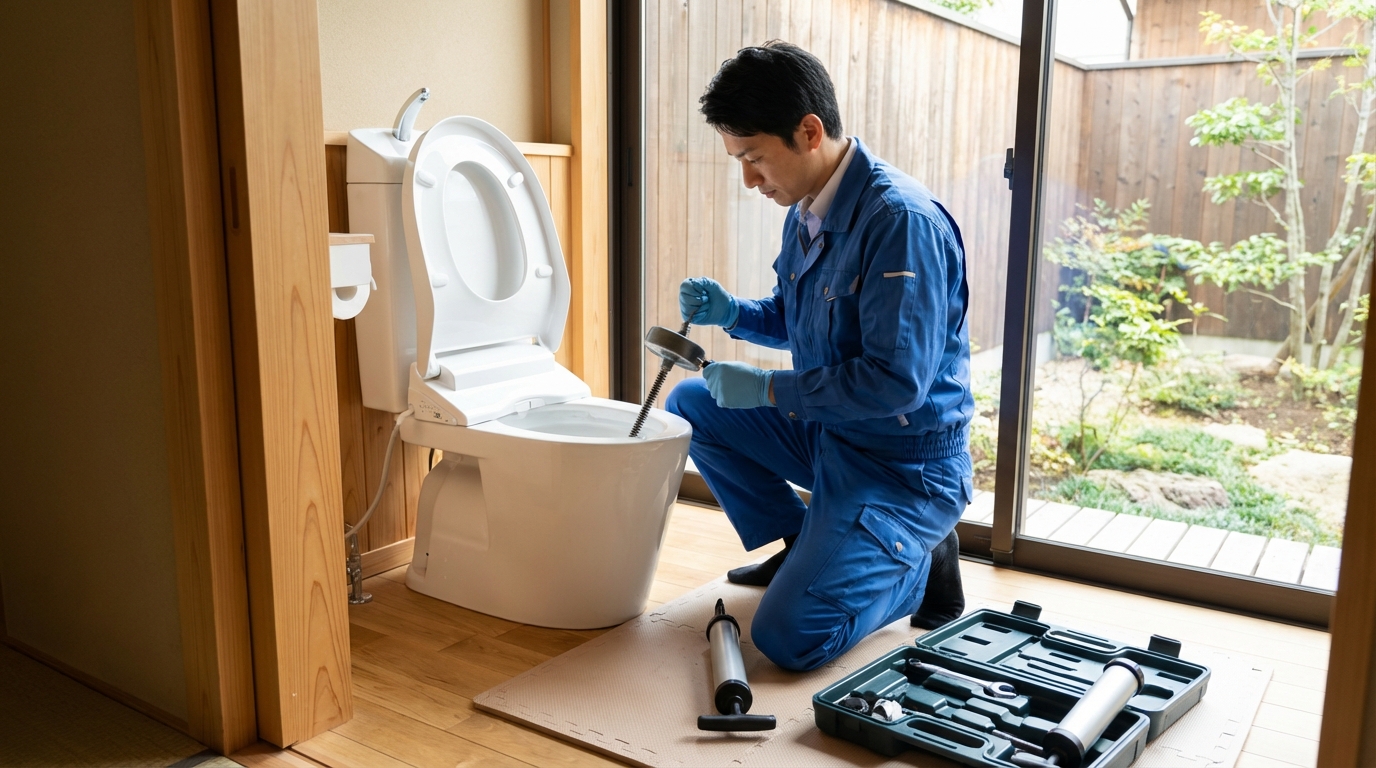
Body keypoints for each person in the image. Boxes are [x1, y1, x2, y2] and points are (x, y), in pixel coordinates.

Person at [665, 41, 974, 672]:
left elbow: (896, 383)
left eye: (754, 158)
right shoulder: (807, 205)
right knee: (691, 402)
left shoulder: (900, 222)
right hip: (833, 432)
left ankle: (917, 564)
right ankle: (805, 543)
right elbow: (796, 318)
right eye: (740, 161)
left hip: (902, 462)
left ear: (809, 132)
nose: (749, 180)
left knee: (789, 639)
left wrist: (768, 390)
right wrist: (733, 312)